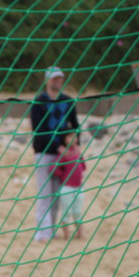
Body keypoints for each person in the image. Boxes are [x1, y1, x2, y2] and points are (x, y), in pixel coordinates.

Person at [28, 66, 80, 242]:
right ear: (47, 80)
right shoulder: (39, 103)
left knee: (57, 194)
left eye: (60, 78)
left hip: (63, 156)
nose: (58, 81)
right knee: (44, 193)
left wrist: (74, 145)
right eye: (54, 78)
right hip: (44, 152)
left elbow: (75, 126)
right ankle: (42, 233)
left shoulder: (68, 101)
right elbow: (38, 129)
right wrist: (58, 146)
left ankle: (50, 230)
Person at [50, 132, 86, 241]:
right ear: (65, 139)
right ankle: (67, 236)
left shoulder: (77, 152)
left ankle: (80, 234)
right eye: (70, 136)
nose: (73, 139)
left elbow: (83, 166)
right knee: (67, 212)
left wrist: (79, 155)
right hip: (67, 187)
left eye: (75, 136)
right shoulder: (64, 153)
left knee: (78, 212)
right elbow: (53, 168)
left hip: (78, 187)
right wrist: (64, 175)